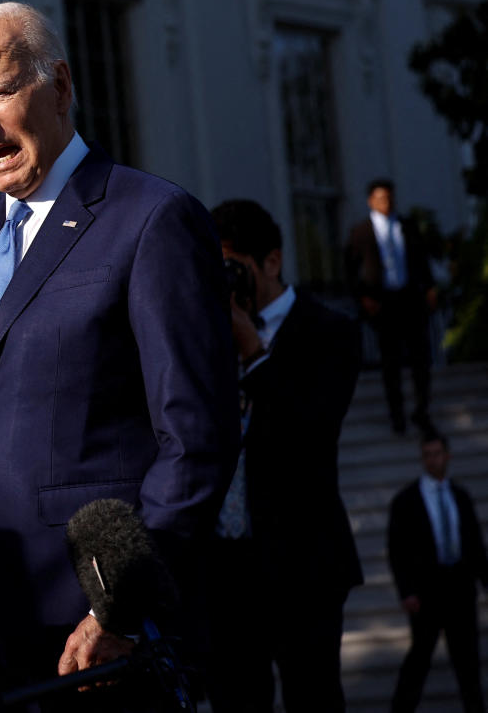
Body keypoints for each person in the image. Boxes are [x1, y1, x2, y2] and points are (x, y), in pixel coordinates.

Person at [0, 1, 238, 699]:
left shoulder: (153, 217)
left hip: (107, 644)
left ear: (61, 85)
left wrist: (123, 603)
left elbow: (196, 437)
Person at [206, 199, 363, 712]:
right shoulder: (204, 335)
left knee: (313, 699)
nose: (227, 279)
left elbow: (312, 430)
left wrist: (253, 350)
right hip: (228, 569)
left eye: (235, 265)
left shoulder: (329, 331)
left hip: (304, 564)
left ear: (271, 262)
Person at [388, 433, 488, 712]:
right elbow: (397, 550)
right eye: (427, 454)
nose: (432, 459)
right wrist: (406, 590)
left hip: (460, 590)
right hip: (426, 593)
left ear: (447, 456)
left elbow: (474, 543)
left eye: (437, 453)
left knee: (468, 664)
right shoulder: (407, 500)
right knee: (418, 662)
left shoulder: (460, 496)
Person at [345, 178, 438, 436]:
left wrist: (429, 288)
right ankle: (397, 416)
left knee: (421, 358)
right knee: (391, 362)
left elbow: (421, 260)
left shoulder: (407, 227)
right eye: (381, 198)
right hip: (383, 303)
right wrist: (363, 297)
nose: (386, 202)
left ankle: (422, 410)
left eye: (389, 197)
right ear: (370, 201)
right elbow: (351, 269)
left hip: (410, 299)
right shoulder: (361, 232)